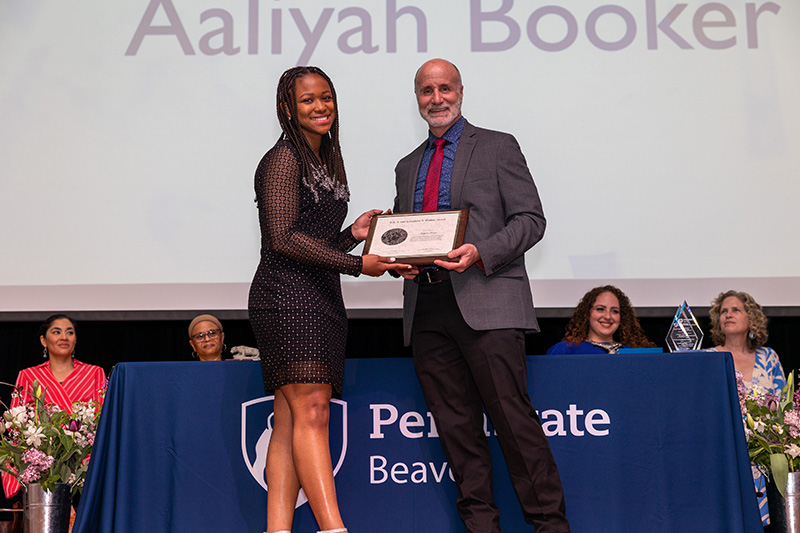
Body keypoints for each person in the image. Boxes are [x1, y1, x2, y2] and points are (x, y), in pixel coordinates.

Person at [392, 58, 569, 533]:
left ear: (461, 91)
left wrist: (480, 252)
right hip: (427, 309)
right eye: (426, 91)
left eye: (444, 88)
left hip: (487, 300)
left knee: (515, 425)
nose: (436, 98)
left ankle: (552, 527)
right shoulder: (407, 166)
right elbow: (405, 235)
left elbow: (531, 220)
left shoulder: (497, 146)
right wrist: (398, 261)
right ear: (417, 99)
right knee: (457, 434)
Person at [248, 66, 408, 533]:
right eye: (308, 101)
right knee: (313, 413)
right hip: (286, 298)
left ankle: (277, 529)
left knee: (289, 419)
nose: (320, 107)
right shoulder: (283, 159)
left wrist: (353, 236)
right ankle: (333, 528)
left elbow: (313, 243)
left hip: (317, 295)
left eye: (327, 98)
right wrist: (361, 265)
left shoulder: (324, 158)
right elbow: (282, 239)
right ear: (288, 108)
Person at [2, 314, 106, 500]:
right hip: (41, 466)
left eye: (69, 332)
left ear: (75, 340)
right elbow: (16, 424)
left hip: (84, 463)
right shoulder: (28, 375)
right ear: (44, 340)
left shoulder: (94, 373)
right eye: (56, 332)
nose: (64, 337)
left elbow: (102, 420)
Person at [708, 290, 785, 526]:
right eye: (723, 311)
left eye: (735, 310)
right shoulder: (708, 358)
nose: (727, 315)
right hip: (724, 453)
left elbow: (782, 408)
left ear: (750, 318)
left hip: (765, 458)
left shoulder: (768, 357)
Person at [547, 285, 656, 354]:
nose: (608, 316)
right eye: (600, 309)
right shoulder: (566, 350)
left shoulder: (637, 353)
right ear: (587, 313)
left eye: (615, 311)